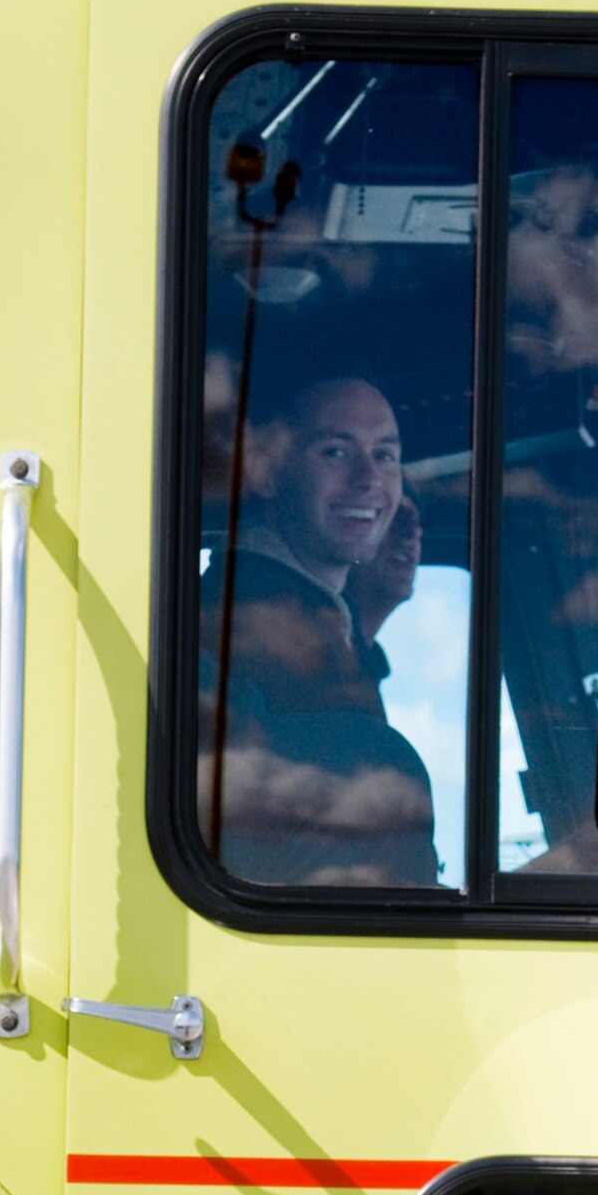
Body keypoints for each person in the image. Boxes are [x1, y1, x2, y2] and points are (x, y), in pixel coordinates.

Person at [198, 378, 438, 888]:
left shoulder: (313, 613)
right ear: (265, 471)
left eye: (385, 456)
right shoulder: (261, 620)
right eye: (335, 451)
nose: (368, 478)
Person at [346, 489, 423, 658]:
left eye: (417, 526)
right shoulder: (301, 645)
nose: (413, 534)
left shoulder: (361, 667)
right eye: (395, 520)